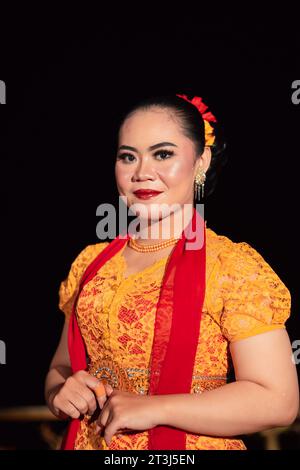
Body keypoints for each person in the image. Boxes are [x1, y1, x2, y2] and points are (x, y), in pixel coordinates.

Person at [44, 93, 299, 450]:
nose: (142, 172)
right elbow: (61, 366)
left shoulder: (231, 266)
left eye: (163, 154)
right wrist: (60, 390)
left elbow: (278, 401)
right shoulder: (91, 262)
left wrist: (155, 408)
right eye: (127, 157)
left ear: (201, 161)